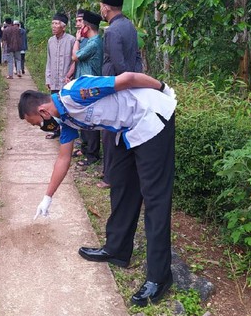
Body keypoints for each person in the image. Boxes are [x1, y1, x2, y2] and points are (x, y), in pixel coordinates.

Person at [18, 72, 177, 308]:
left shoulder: (77, 92)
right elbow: (63, 159)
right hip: (127, 128)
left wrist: (162, 87)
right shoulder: (67, 120)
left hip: (151, 117)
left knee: (155, 199)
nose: (41, 127)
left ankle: (159, 277)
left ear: (43, 111)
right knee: (122, 184)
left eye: (37, 123)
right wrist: (47, 198)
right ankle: (117, 250)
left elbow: (129, 78)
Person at [98, 0, 143, 189]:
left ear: (106, 7)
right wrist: (135, 79)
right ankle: (122, 174)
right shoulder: (130, 27)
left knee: (109, 131)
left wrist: (123, 83)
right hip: (129, 84)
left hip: (115, 86)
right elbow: (137, 57)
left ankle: (110, 176)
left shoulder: (112, 31)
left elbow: (118, 63)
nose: (100, 9)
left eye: (101, 5)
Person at [70, 10, 102, 167]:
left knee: (91, 121)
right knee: (84, 119)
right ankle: (85, 148)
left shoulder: (94, 43)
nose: (79, 27)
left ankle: (92, 154)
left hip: (91, 87)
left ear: (87, 27)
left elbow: (74, 56)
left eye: (81, 25)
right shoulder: (90, 42)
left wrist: (77, 40)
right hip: (84, 85)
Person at [45, 13, 76, 139]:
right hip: (54, 79)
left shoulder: (71, 40)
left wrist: (70, 75)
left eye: (56, 23)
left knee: (67, 105)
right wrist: (48, 77)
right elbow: (49, 60)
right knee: (54, 105)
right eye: (52, 23)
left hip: (66, 79)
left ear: (64, 27)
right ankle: (56, 130)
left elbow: (75, 60)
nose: (53, 26)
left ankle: (69, 131)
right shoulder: (50, 41)